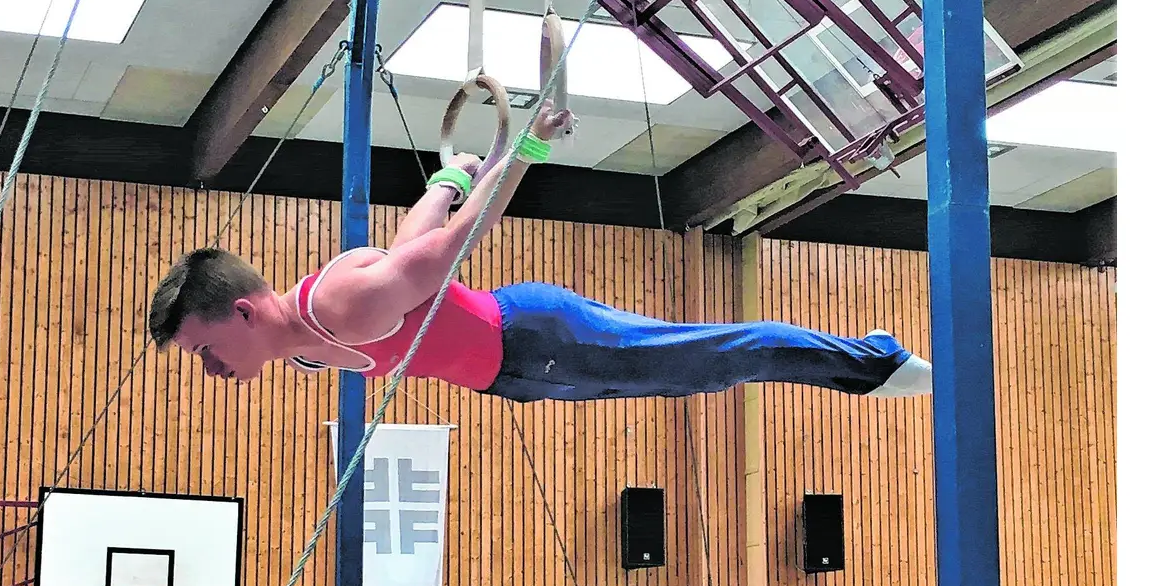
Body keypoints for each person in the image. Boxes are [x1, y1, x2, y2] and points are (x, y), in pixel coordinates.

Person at [147, 102, 930, 402]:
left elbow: (453, 250)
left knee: (717, 358)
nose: (208, 369)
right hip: (518, 371)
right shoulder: (303, 336)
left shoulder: (336, 306)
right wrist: (451, 176)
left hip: (535, 341)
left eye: (205, 350)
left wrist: (522, 151)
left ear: (244, 312)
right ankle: (865, 365)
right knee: (700, 374)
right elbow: (407, 249)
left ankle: (876, 362)